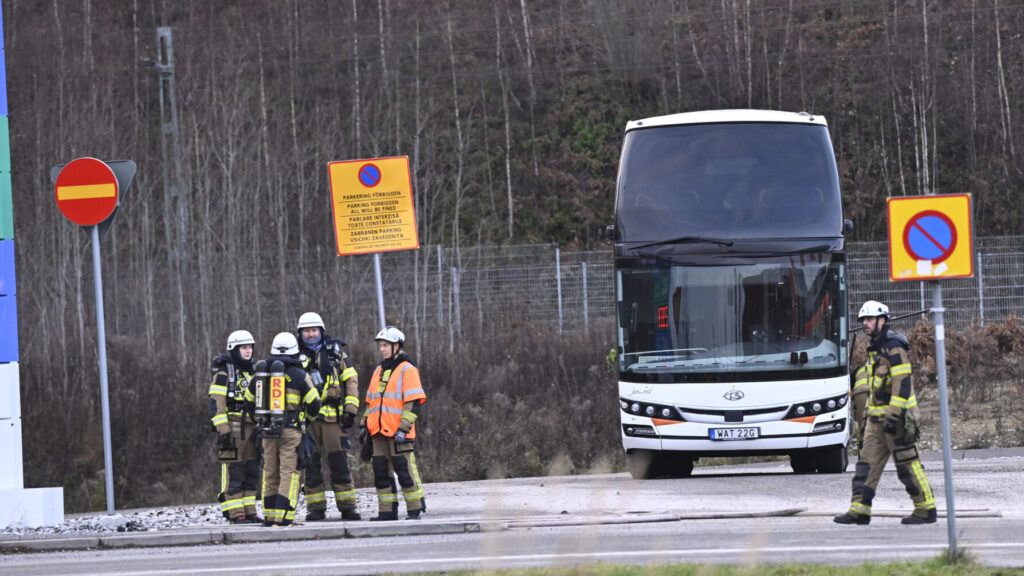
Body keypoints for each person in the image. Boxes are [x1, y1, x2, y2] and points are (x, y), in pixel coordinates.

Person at [834, 300, 937, 525]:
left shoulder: (895, 347)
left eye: (869, 319)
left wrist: (893, 416)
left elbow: (902, 384)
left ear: (883, 320)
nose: (865, 324)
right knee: (865, 466)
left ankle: (925, 508)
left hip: (897, 420)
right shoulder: (875, 349)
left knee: (907, 466)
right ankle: (859, 510)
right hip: (876, 421)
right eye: (863, 320)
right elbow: (875, 387)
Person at [295, 312, 361, 522]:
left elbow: (351, 380)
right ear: (301, 333)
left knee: (339, 463)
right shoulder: (294, 357)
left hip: (334, 420)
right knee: (310, 466)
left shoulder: (336, 354)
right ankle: (315, 509)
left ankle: (348, 507)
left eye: (314, 330)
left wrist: (351, 409)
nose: (311, 334)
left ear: (321, 331)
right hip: (308, 421)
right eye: (307, 331)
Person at [360, 326, 427, 521]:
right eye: (381, 345)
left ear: (396, 346)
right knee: (381, 473)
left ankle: (414, 510)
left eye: (386, 345)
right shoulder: (378, 371)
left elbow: (412, 403)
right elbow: (371, 402)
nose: (382, 349)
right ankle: (386, 512)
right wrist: (365, 426)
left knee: (404, 472)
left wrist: (403, 429)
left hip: (398, 432)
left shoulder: (408, 369)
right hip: (378, 433)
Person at [257, 332, 321, 527]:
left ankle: (269, 516)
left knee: (270, 472)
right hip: (291, 431)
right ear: (295, 351)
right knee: (290, 473)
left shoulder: (262, 373)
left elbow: (250, 400)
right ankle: (284, 517)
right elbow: (314, 402)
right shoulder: (300, 374)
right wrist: (307, 420)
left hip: (267, 431)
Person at [208, 329, 262, 524]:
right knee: (234, 471)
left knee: (252, 470)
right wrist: (224, 431)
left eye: (250, 347)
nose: (248, 351)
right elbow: (216, 403)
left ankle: (250, 511)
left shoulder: (256, 371)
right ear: (234, 349)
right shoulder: (224, 374)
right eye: (243, 348)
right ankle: (234, 512)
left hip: (253, 427)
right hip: (233, 426)